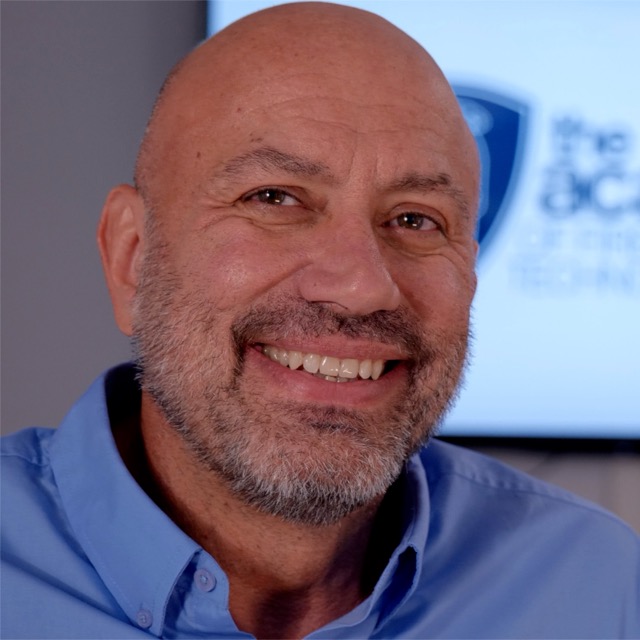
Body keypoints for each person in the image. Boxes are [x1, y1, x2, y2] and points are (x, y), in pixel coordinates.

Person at [2, 2, 638, 638]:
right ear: (132, 257)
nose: (361, 287)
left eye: (416, 219)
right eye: (274, 198)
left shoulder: (598, 587)